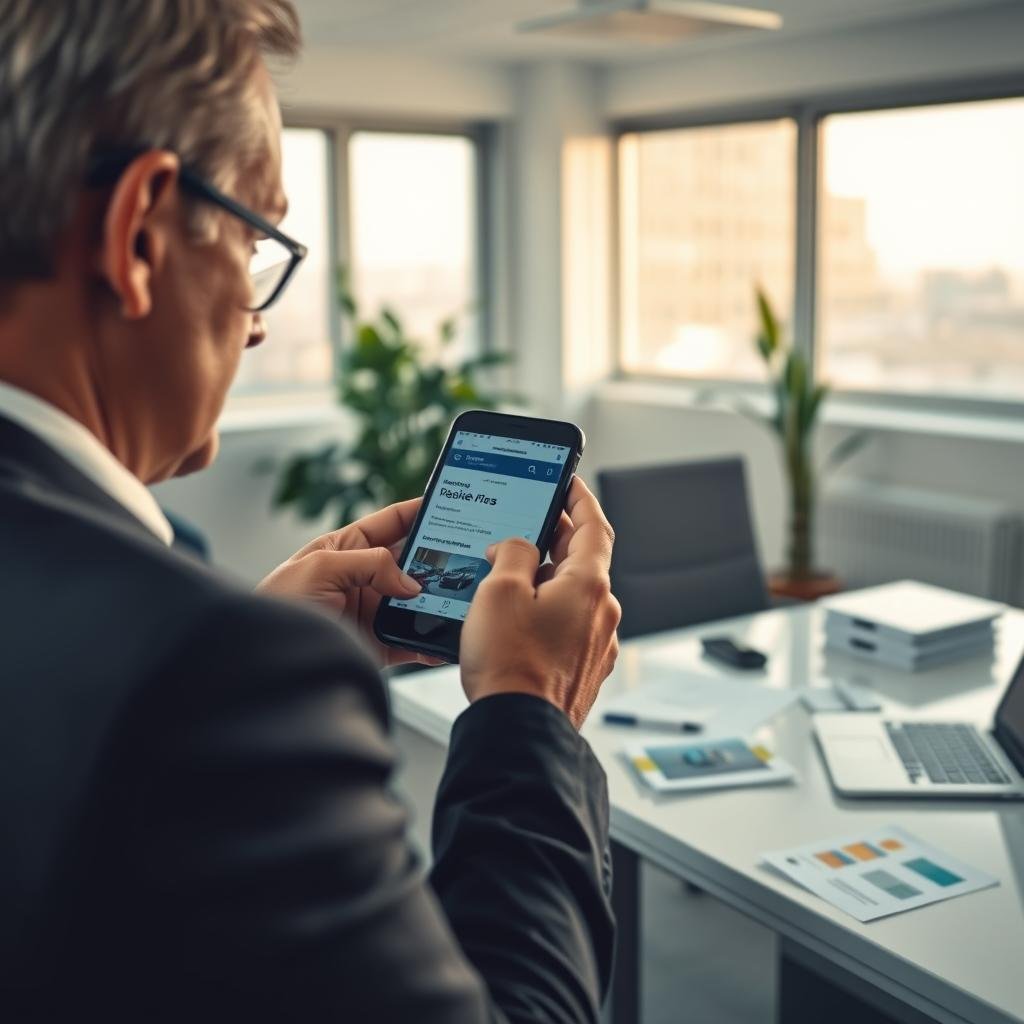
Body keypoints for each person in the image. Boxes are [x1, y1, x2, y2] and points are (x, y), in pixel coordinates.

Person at [0, 2, 622, 1022]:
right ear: (140, 235)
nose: (252, 327)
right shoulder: (210, 681)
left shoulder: (188, 659)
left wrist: (252, 633)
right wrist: (528, 712)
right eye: (253, 243)